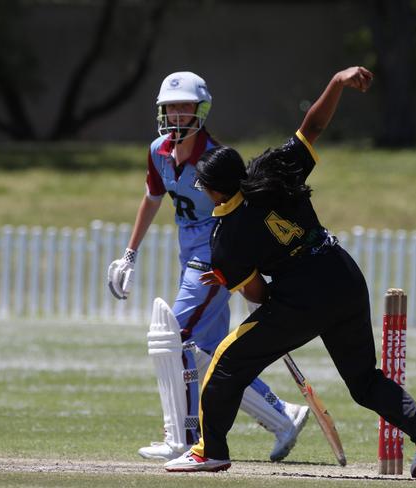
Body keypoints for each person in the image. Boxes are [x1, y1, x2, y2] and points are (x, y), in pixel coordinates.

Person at [163, 66, 416, 478]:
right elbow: (311, 126)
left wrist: (229, 278)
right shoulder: (270, 169)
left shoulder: (224, 238)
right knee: (364, 380)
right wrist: (336, 82)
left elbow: (258, 296)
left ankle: (211, 450)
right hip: (343, 275)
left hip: (301, 300)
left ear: (212, 190)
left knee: (226, 361)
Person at [107, 71, 309, 462]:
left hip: (214, 259)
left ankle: (182, 437)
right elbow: (152, 198)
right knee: (210, 353)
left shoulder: (215, 159)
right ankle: (284, 416)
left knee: (174, 337)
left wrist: (249, 267)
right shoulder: (157, 151)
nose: (177, 115)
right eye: (171, 107)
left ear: (200, 111)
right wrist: (130, 253)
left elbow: (245, 211)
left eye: (185, 107)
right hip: (189, 258)